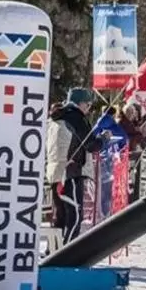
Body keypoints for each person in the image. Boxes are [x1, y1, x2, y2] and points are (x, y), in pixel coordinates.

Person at [51, 88, 105, 243]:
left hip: (55, 172)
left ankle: (54, 250)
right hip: (71, 172)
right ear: (80, 103)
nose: (88, 109)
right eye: (88, 105)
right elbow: (91, 144)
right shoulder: (76, 117)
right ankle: (67, 251)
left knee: (61, 216)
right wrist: (103, 139)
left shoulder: (56, 117)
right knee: (74, 216)